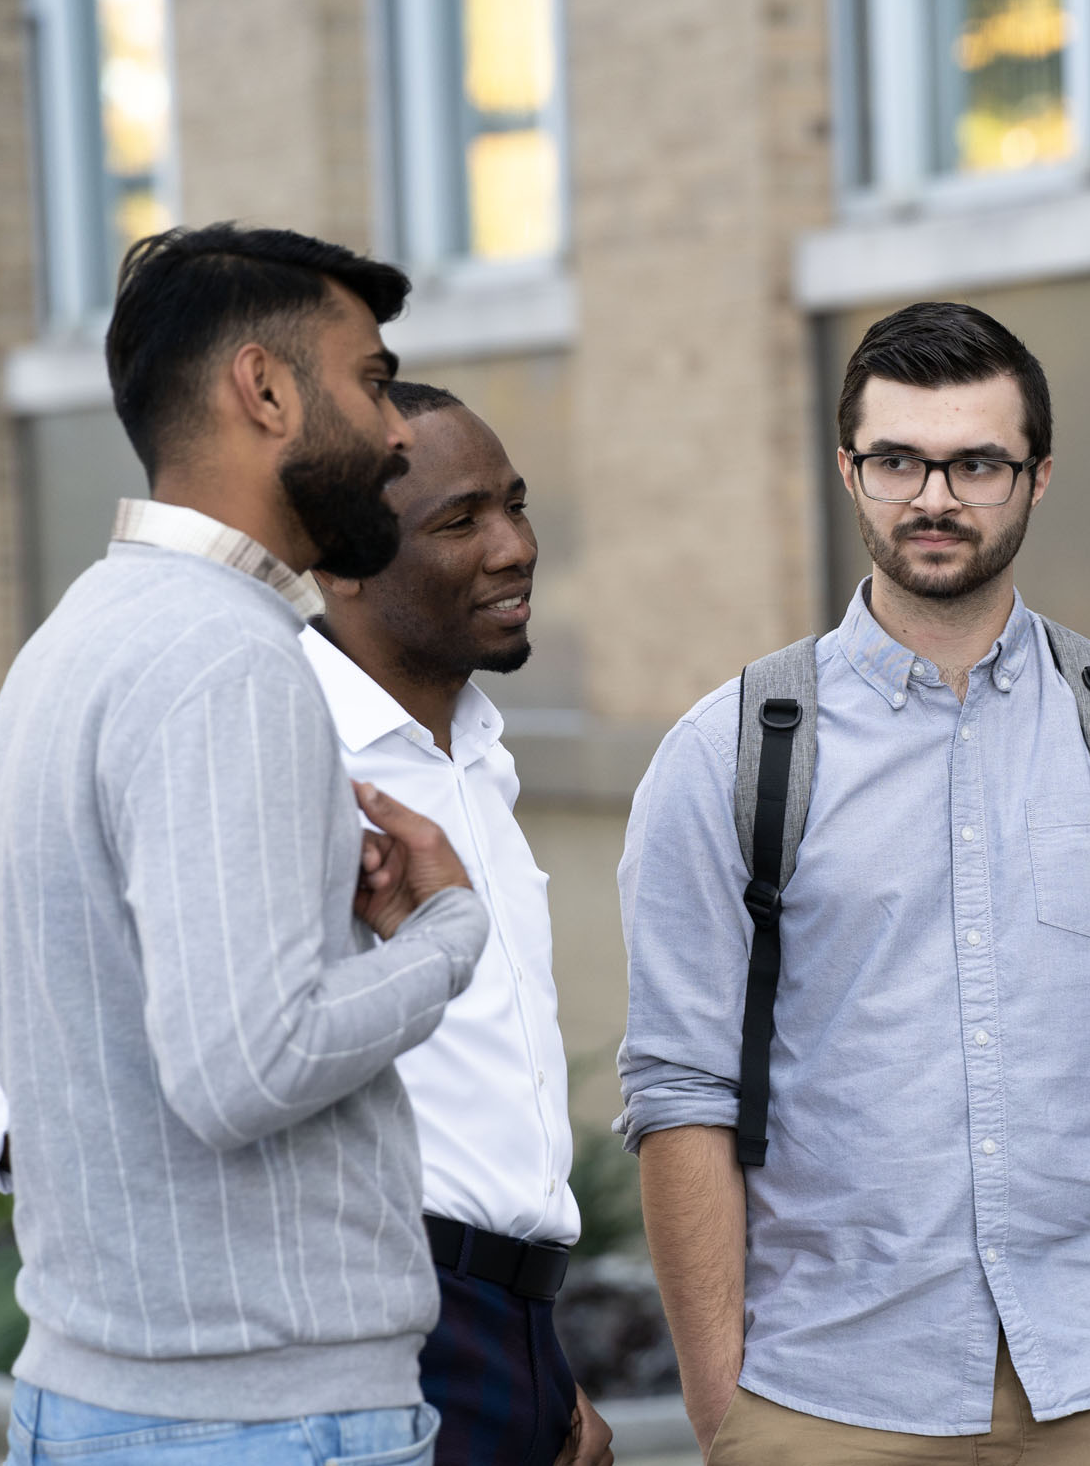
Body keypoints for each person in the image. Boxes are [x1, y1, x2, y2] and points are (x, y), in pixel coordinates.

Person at [617, 301, 1090, 1463]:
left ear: (1035, 476)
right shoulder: (729, 754)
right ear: (849, 469)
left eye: (976, 462)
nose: (934, 498)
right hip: (825, 1399)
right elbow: (681, 1092)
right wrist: (723, 1407)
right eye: (897, 461)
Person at [0, 225, 489, 1461]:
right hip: (262, 1421)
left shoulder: (70, 642)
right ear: (263, 389)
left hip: (112, 1399)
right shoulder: (225, 660)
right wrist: (443, 936)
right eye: (372, 381)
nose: (399, 431)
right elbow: (246, 1070)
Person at [306, 380, 613, 1466]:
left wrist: (544, 1364)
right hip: (365, 1342)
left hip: (508, 1339)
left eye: (514, 505)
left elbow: (482, 1114)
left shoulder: (479, 758)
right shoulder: (281, 752)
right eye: (459, 521)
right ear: (340, 563)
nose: (514, 546)